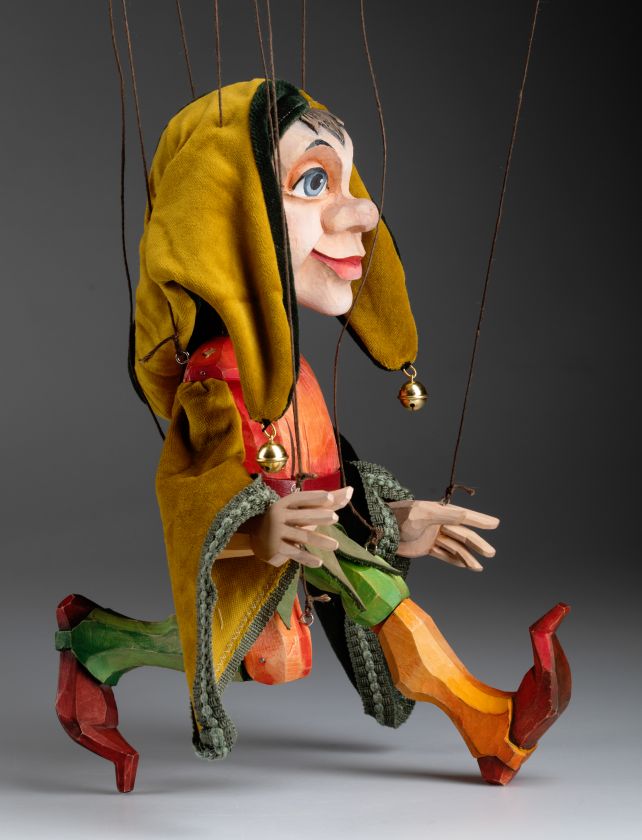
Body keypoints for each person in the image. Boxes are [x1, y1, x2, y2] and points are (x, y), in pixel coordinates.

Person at [54, 79, 570, 793]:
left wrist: (389, 519)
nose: (363, 210)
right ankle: (488, 720)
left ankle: (95, 641)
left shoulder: (281, 370)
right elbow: (195, 497)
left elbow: (321, 470)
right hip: (292, 548)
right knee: (364, 595)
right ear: (222, 218)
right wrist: (259, 529)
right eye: (314, 181)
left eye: (348, 180)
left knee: (248, 652)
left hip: (304, 547)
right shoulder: (218, 376)